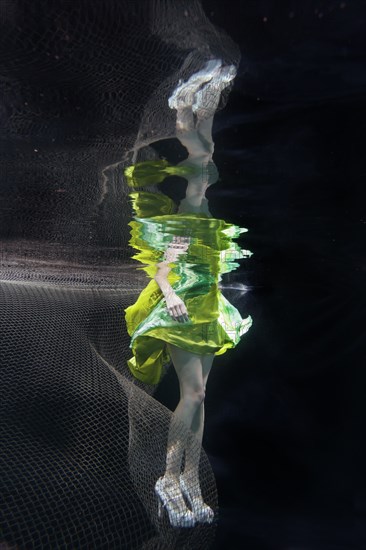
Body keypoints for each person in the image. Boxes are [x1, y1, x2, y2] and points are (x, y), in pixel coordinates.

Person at [124, 59, 252, 528]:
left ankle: (186, 479)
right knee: (194, 394)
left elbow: (203, 163)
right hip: (180, 311)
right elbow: (160, 271)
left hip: (205, 310)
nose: (200, 185)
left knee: (199, 395)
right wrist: (171, 294)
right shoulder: (185, 224)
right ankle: (171, 477)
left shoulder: (199, 215)